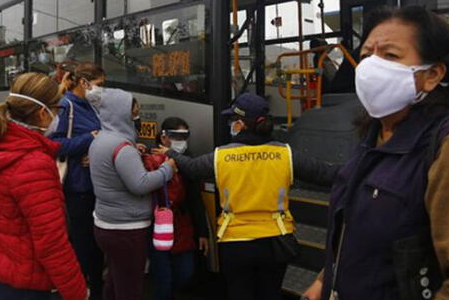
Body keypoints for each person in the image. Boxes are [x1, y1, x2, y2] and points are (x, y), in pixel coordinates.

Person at [301, 6, 449, 300]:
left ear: (432, 75)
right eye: (366, 56)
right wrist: (326, 280)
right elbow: (359, 232)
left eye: (390, 55)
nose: (370, 68)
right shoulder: (376, 135)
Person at [154, 92, 338, 300]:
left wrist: (170, 153)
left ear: (241, 124)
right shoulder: (285, 154)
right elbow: (326, 174)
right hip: (276, 241)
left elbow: (192, 168)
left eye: (233, 120)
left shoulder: (221, 156)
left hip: (236, 243)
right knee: (270, 294)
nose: (231, 124)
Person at [0, 72, 87, 300]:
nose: (58, 116)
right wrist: (76, 293)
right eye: (58, 109)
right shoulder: (33, 163)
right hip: (24, 285)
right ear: (42, 113)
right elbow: (52, 243)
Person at [88, 88, 175, 300]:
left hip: (106, 224)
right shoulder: (122, 147)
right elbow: (140, 184)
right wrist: (167, 170)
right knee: (130, 287)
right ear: (121, 114)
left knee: (115, 280)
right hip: (126, 228)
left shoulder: (101, 139)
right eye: (133, 113)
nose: (136, 117)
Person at [51, 62, 105, 300]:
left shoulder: (92, 106)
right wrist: (89, 139)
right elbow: (54, 145)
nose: (102, 89)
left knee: (96, 246)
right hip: (77, 188)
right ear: (84, 82)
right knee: (83, 246)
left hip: (95, 184)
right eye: (99, 84)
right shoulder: (66, 106)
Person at [149, 117, 209, 300]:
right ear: (164, 137)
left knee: (185, 273)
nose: (181, 142)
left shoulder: (189, 163)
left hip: (183, 227)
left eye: (185, 137)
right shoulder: (150, 161)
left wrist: (202, 233)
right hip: (158, 227)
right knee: (163, 280)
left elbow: (195, 200)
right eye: (177, 137)